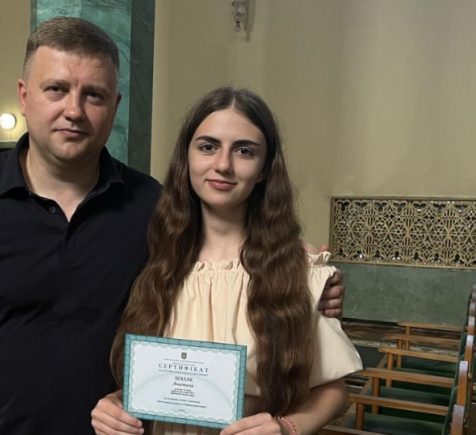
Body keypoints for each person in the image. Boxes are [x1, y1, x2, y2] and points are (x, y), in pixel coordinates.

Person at [0, 18, 346, 435]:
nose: (74, 110)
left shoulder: (154, 207)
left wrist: (301, 269)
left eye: (94, 95)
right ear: (24, 96)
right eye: (56, 89)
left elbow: (229, 246)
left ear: (115, 106)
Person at [91, 88, 362, 435]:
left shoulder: (296, 269)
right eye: (208, 147)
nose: (223, 165)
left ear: (264, 169)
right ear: (187, 157)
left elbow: (332, 389)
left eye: (244, 151)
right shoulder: (156, 263)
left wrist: (287, 429)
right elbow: (156, 381)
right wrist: (115, 405)